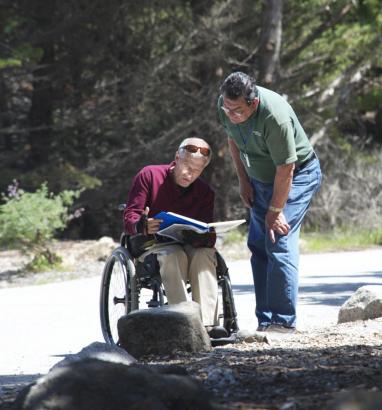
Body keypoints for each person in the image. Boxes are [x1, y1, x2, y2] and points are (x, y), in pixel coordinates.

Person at [217, 71, 322, 333]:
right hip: (260, 180)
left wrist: (275, 211)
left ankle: (284, 322)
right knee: (258, 244)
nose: (231, 114)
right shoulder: (226, 106)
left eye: (237, 110)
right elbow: (233, 140)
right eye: (227, 108)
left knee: (278, 238)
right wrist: (243, 182)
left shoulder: (274, 117)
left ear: (252, 103)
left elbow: (287, 167)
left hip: (297, 176)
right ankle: (266, 321)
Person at [123, 137, 228, 339]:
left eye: (197, 170)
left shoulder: (205, 192)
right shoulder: (150, 175)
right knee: (174, 255)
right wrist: (142, 224)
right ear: (176, 158)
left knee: (205, 255)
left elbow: (207, 232)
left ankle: (207, 325)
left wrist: (203, 235)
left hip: (188, 244)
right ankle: (182, 323)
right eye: (187, 166)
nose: (190, 174)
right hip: (153, 244)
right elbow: (130, 217)